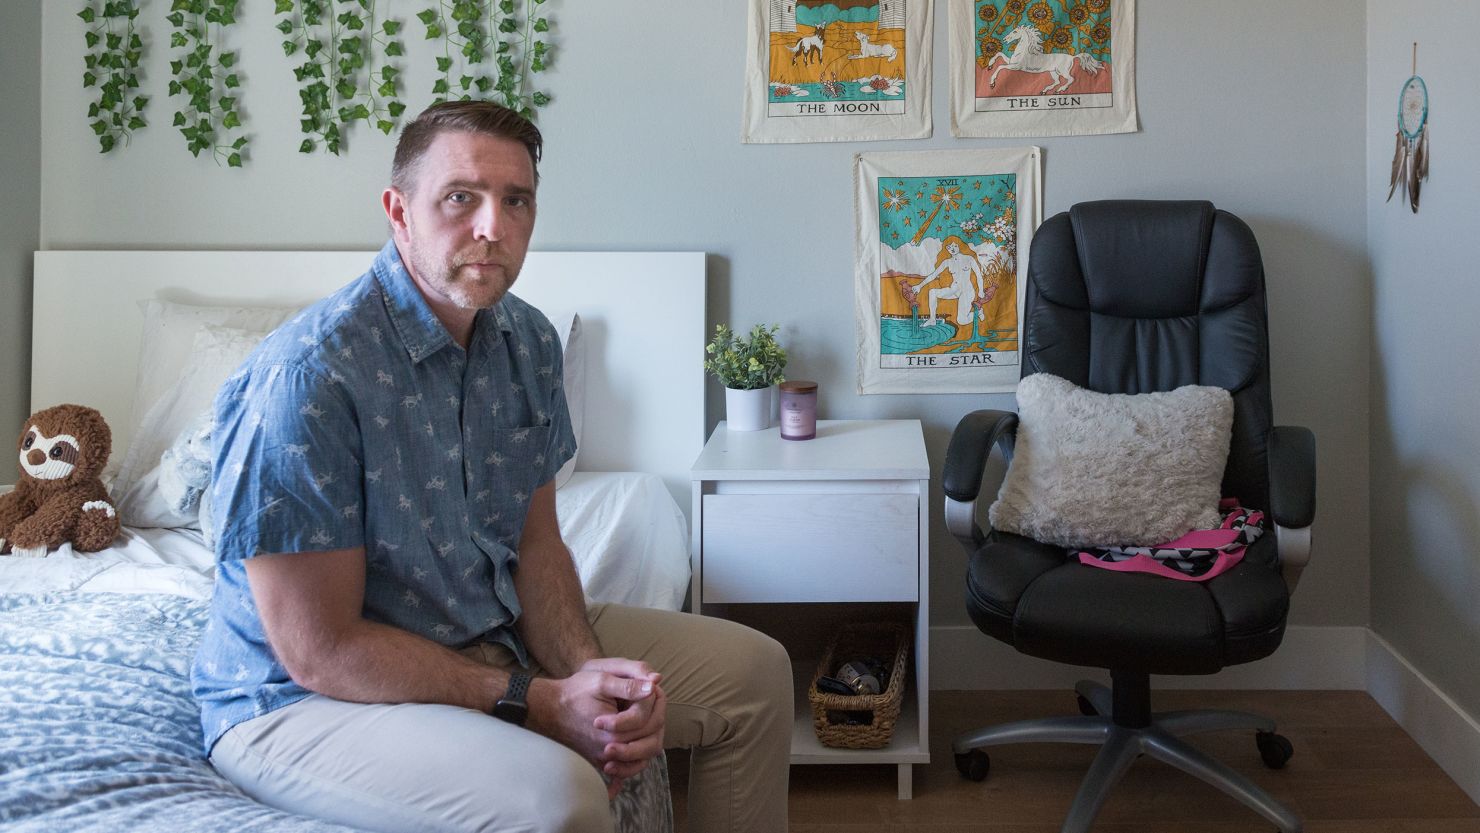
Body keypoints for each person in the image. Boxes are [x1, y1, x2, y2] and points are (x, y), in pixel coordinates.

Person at [191, 101, 793, 833]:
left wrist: (588, 677)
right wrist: (534, 700)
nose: (492, 228)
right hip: (299, 699)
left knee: (756, 675)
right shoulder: (308, 377)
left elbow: (536, 545)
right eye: (459, 198)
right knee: (560, 798)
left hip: (481, 630)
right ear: (397, 211)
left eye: (517, 201)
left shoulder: (528, 342)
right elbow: (322, 649)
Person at [911, 236, 989, 328]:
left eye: (955, 246)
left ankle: (978, 312)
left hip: (967, 291)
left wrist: (980, 290)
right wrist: (919, 286)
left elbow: (979, 275)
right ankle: (932, 319)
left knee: (962, 321)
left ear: (959, 246)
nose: (952, 249)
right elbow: (934, 275)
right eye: (949, 247)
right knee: (932, 292)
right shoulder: (947, 262)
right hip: (954, 289)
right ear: (947, 249)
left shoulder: (969, 259)